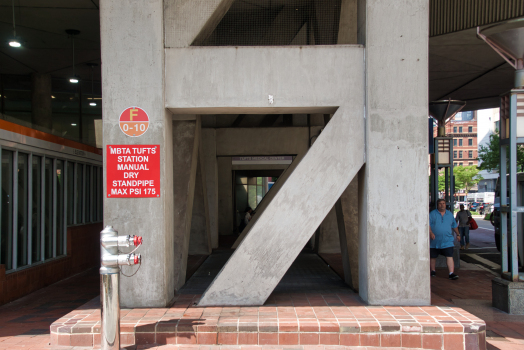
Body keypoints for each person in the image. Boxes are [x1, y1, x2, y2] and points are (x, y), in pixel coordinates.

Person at [429, 199, 460, 280]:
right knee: (433, 256)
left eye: (443, 203)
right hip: (434, 240)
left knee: (449, 256)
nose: (442, 205)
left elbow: (454, 225)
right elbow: (428, 225)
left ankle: (451, 273)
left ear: (445, 204)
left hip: (447, 240)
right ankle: (433, 271)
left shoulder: (449, 214)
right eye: (440, 204)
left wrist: (458, 234)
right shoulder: (432, 214)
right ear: (437, 205)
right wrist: (431, 233)